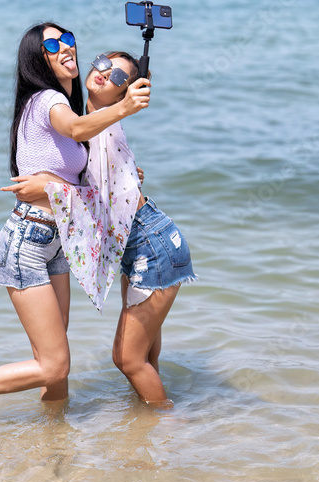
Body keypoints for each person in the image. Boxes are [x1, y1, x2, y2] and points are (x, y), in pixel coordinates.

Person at [0, 24, 151, 412]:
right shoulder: (46, 101)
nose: (66, 48)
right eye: (53, 45)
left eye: (69, 40)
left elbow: (84, 168)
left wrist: (125, 174)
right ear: (36, 59)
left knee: (53, 365)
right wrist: (124, 106)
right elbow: (77, 127)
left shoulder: (62, 107)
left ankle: (52, 443)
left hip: (55, 243)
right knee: (54, 363)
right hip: (27, 241)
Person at [11, 51, 195, 406]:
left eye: (118, 78)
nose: (104, 75)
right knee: (145, 360)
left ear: (124, 93)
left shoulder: (100, 127)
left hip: (151, 247)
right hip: (150, 243)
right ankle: (149, 435)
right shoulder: (94, 123)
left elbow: (102, 200)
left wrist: (49, 188)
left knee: (127, 360)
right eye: (102, 65)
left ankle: (171, 424)